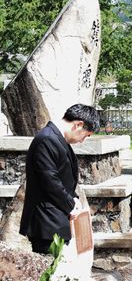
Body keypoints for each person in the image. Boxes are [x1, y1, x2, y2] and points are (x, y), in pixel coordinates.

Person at [19, 104, 99, 254]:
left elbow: (62, 177)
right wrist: (71, 205)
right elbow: (50, 180)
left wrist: (73, 200)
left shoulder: (56, 138)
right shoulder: (47, 139)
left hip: (54, 219)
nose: (82, 141)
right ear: (78, 125)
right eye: (86, 135)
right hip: (46, 222)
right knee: (51, 273)